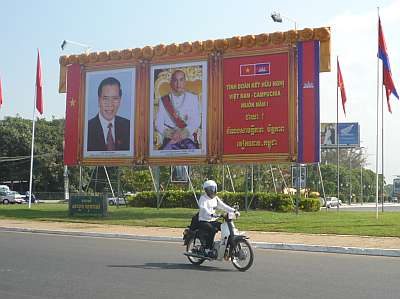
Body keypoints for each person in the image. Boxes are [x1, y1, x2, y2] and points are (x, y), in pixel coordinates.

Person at [156, 70, 201, 150]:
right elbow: (158, 123)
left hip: (187, 139)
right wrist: (172, 134)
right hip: (170, 139)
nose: (178, 83)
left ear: (185, 82)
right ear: (171, 82)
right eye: (175, 80)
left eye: (181, 80)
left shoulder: (193, 98)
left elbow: (196, 121)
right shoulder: (164, 100)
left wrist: (182, 135)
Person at [87, 77, 130, 151]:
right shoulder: (87, 128)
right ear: (99, 100)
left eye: (115, 98)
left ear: (120, 100)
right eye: (105, 98)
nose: (110, 104)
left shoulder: (129, 126)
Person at [198, 180, 238, 256]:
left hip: (213, 220)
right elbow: (203, 209)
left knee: (224, 227)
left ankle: (225, 246)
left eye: (213, 189)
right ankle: (207, 249)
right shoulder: (203, 198)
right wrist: (212, 214)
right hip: (204, 221)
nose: (212, 191)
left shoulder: (215, 198)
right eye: (210, 189)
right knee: (213, 229)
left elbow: (223, 206)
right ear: (206, 190)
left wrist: (234, 211)